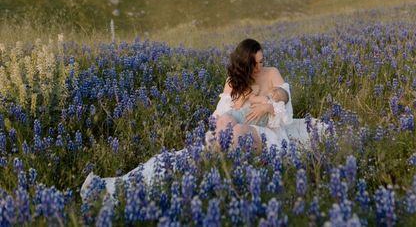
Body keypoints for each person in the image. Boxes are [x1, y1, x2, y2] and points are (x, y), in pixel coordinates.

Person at [80, 39, 328, 201]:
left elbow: (285, 96)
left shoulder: (271, 73)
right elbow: (219, 116)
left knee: (240, 132)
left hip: (265, 133)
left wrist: (269, 103)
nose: (259, 68)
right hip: (233, 131)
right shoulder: (233, 83)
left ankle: (222, 174)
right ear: (243, 65)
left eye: (261, 61)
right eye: (254, 64)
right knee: (217, 133)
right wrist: (234, 109)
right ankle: (123, 186)